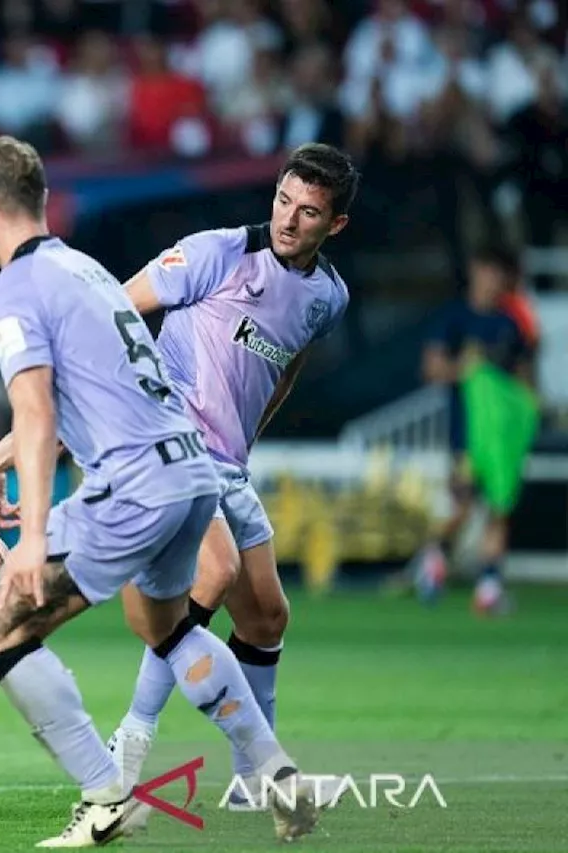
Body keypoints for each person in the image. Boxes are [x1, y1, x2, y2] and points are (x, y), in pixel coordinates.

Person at [0, 135, 319, 847]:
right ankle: (277, 771)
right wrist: (0, 455)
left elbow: (36, 411)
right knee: (170, 628)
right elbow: (91, 391)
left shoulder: (13, 291)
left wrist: (31, 534)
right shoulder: (83, 269)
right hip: (192, 473)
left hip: (135, 485)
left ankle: (107, 793)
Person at [111, 142, 355, 811]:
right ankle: (130, 737)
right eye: (283, 200)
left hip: (228, 460)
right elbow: (117, 309)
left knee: (268, 615)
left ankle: (256, 780)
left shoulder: (328, 295)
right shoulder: (218, 251)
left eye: (308, 212)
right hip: (172, 443)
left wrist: (251, 435)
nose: (288, 219)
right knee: (212, 574)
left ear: (333, 225)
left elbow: (287, 364)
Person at [415, 244, 537, 615]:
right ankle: (434, 555)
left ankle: (488, 587)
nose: (493, 279)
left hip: (500, 438)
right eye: (488, 270)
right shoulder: (453, 318)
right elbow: (432, 370)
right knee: (464, 506)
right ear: (475, 271)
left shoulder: (511, 324)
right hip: (465, 434)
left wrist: (524, 417)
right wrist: (464, 369)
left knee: (500, 508)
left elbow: (523, 381)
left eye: (499, 273)